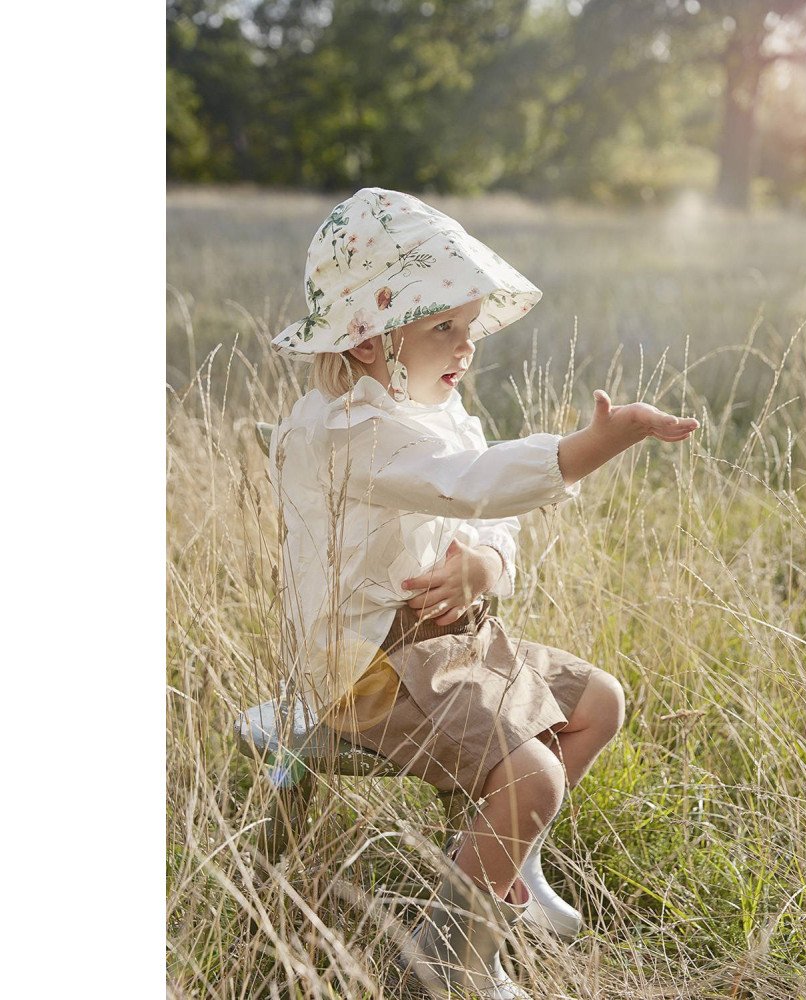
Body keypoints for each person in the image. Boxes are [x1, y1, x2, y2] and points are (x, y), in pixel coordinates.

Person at [267, 187, 698, 999]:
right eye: (443, 328)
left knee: (598, 701)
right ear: (367, 343)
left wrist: (488, 566)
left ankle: (507, 867)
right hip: (361, 667)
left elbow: (488, 514)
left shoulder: (432, 402)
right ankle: (446, 960)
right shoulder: (344, 432)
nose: (465, 347)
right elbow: (472, 487)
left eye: (467, 326)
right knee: (533, 772)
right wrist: (585, 449)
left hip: (448, 644)